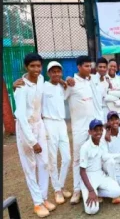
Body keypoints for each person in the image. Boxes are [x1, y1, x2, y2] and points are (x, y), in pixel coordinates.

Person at [14, 53, 55, 217]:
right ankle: (37, 204)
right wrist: (32, 141)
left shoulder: (40, 80)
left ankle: (44, 198)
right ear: (26, 67)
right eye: (33, 66)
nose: (36, 69)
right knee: (30, 166)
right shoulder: (21, 87)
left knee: (44, 163)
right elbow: (22, 116)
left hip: (39, 125)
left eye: (39, 66)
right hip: (26, 129)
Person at [65, 55, 104, 204]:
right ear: (78, 67)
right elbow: (61, 93)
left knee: (95, 156)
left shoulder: (91, 81)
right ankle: (76, 190)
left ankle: (93, 186)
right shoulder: (71, 83)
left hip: (93, 126)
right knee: (77, 160)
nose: (89, 68)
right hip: (79, 129)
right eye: (86, 66)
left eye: (90, 66)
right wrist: (66, 81)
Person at [42, 61, 71, 205]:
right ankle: (57, 190)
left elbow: (67, 91)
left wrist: (64, 82)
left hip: (61, 123)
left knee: (67, 158)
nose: (56, 74)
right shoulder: (43, 87)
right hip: (49, 123)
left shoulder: (61, 86)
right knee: (52, 158)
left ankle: (60, 185)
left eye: (58, 71)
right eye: (53, 71)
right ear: (48, 73)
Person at [79, 119, 120, 215]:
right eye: (95, 130)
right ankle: (90, 191)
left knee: (117, 191)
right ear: (90, 132)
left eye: (100, 130)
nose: (99, 132)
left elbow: (106, 156)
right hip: (88, 176)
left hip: (99, 174)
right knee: (92, 210)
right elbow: (82, 171)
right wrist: (90, 190)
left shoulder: (102, 143)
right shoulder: (85, 147)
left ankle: (97, 192)